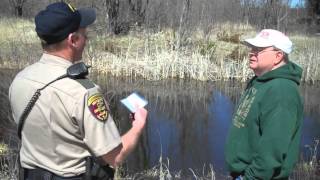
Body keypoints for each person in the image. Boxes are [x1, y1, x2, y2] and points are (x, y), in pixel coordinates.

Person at [9, 2, 148, 179]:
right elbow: (114, 157)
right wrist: (138, 126)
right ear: (73, 40)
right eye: (84, 35)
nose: (87, 40)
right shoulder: (83, 92)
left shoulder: (20, 79)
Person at [225, 29, 304, 180]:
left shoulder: (282, 91)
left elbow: (272, 149)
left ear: (278, 56)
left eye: (259, 49)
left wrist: (250, 177)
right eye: (252, 48)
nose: (251, 53)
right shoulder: (260, 81)